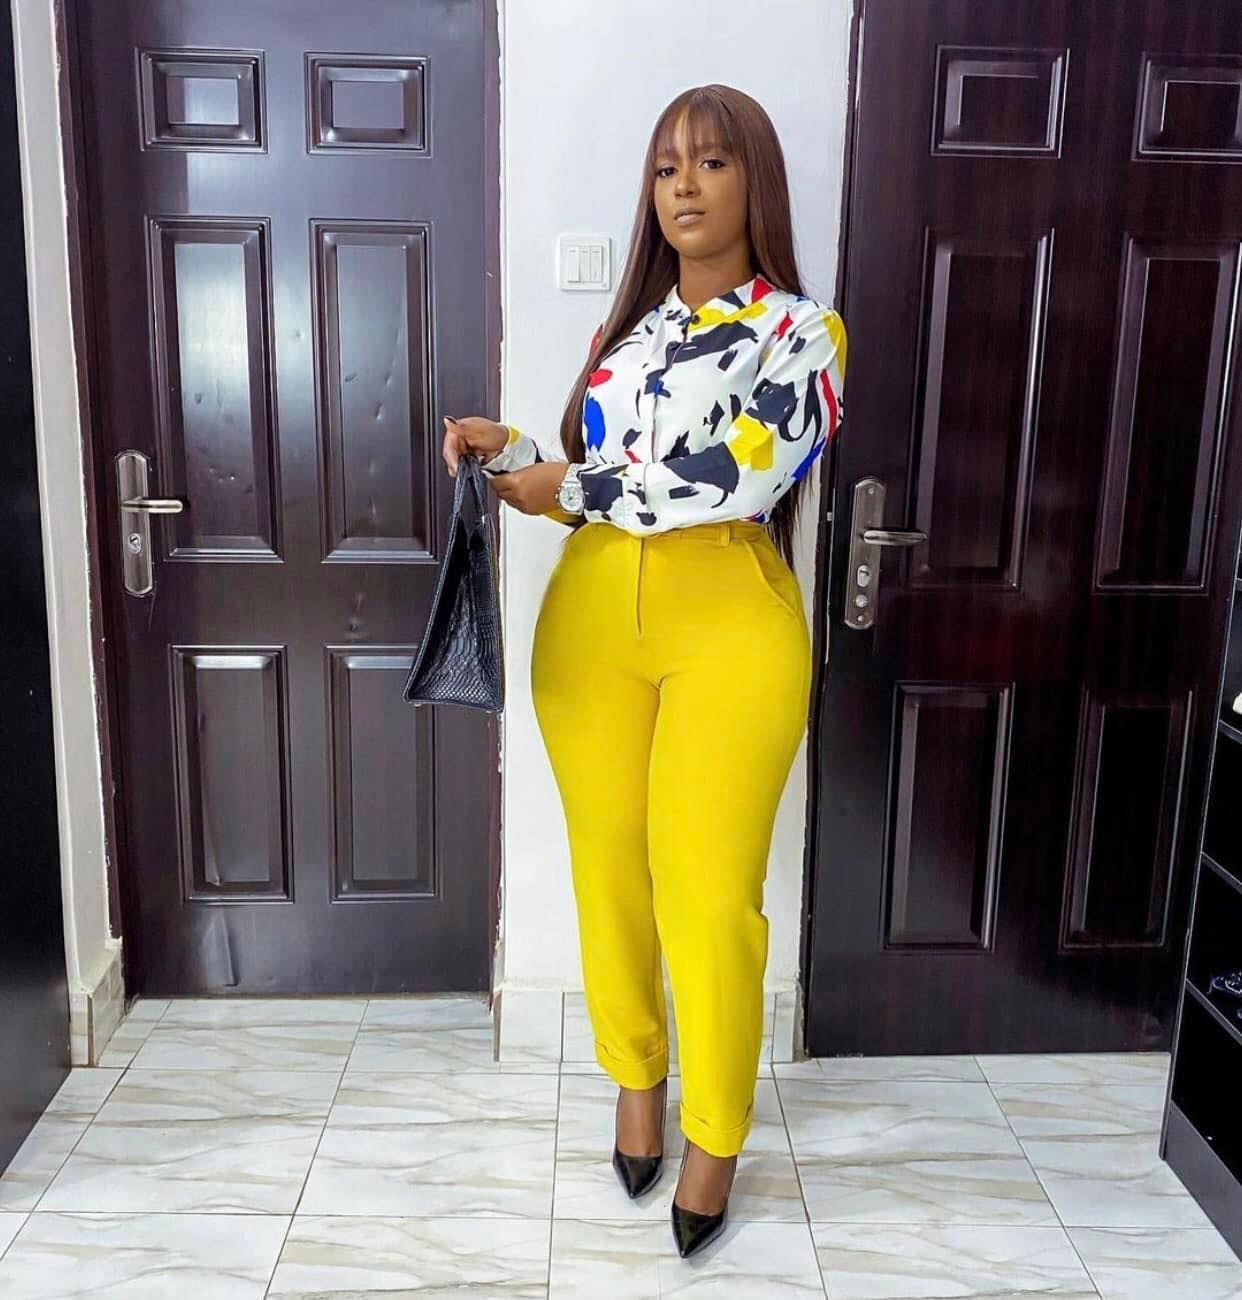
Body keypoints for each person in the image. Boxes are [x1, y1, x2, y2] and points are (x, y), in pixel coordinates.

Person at [442, 83, 846, 1259]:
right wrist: (517, 451)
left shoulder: (803, 333)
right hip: (591, 627)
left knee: (708, 891)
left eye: (710, 162)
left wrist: (571, 481)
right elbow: (594, 482)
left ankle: (715, 1134)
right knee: (609, 871)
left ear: (755, 180)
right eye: (666, 167)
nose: (683, 186)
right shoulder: (625, 335)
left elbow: (740, 475)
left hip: (729, 618)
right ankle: (636, 1080)